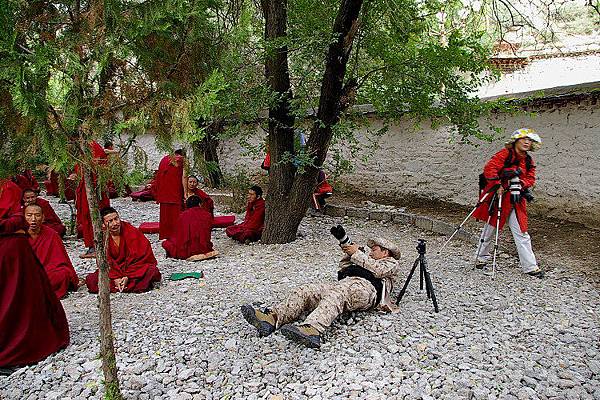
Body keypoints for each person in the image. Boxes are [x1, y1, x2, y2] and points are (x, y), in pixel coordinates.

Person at [241, 236, 402, 348]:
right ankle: (272, 318)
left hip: (368, 291)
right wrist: (349, 252)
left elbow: (379, 271)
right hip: (347, 284)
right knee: (306, 290)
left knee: (338, 294)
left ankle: (313, 329)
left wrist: (357, 253)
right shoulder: (366, 260)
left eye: (374, 250)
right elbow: (343, 270)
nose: (371, 252)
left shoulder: (391, 263)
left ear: (385, 252)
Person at [0, 179, 69, 372]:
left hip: (12, 253)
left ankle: (16, 347)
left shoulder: (9, 187)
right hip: (11, 252)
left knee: (19, 298)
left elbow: (16, 218)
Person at [472, 128, 544, 278]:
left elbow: (531, 178)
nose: (526, 142)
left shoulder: (528, 160)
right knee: (490, 229)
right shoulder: (505, 154)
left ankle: (530, 266)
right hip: (499, 198)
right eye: (523, 139)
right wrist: (498, 184)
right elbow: (489, 169)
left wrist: (520, 183)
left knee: (522, 232)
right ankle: (480, 258)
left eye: (529, 140)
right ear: (516, 141)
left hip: (517, 201)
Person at [85, 207, 161, 293]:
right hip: (114, 270)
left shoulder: (130, 231)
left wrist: (127, 276)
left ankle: (122, 285)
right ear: (103, 224)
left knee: (151, 271)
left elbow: (140, 258)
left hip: (133, 269)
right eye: (110, 221)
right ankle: (122, 285)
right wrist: (115, 278)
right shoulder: (101, 237)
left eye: (116, 219)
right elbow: (105, 261)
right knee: (91, 280)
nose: (115, 223)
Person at [25, 204, 79, 299]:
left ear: (43, 217)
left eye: (37, 215)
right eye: (29, 215)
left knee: (63, 274)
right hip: (25, 272)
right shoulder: (17, 235)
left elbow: (62, 261)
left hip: (47, 272)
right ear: (23, 217)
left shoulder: (51, 234)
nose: (33, 219)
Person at [74, 140, 110, 258]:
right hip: (86, 187)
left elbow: (97, 167)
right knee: (87, 216)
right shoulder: (83, 146)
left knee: (92, 215)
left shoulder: (91, 147)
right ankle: (93, 245)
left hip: (93, 189)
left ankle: (96, 245)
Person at [162, 195, 216, 260]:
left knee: (166, 243)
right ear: (199, 204)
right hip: (204, 248)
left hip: (186, 251)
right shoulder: (207, 215)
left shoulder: (183, 215)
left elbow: (177, 235)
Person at [156, 149, 187, 240]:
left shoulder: (163, 159)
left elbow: (158, 176)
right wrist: (186, 193)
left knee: (166, 216)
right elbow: (184, 176)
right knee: (176, 215)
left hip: (164, 192)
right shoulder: (182, 160)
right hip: (176, 191)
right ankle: (178, 237)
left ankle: (167, 238)